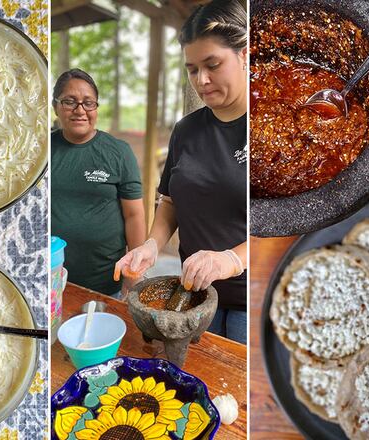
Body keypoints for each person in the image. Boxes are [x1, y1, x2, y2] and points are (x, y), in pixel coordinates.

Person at [115, 0, 247, 343]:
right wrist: (151, 246)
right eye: (192, 69)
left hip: (250, 298)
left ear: (246, 55)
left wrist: (232, 259)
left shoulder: (266, 126)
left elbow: (288, 224)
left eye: (213, 65)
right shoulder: (186, 130)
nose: (201, 80)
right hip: (194, 293)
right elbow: (171, 200)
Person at [51, 69, 146, 297]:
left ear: (96, 109)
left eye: (88, 103)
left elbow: (134, 215)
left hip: (107, 281)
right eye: (69, 102)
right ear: (56, 107)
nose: (80, 110)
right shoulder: (43, 149)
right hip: (52, 278)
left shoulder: (119, 152)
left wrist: (134, 273)